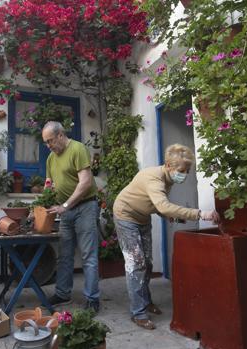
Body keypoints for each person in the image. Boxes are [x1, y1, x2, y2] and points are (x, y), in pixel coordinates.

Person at [113, 143, 220, 330]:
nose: (185, 174)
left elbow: (155, 204)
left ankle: (145, 302)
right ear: (168, 166)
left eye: (187, 170)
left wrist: (169, 215)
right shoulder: (155, 179)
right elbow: (162, 205)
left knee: (147, 262)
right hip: (125, 215)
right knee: (135, 263)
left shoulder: (167, 179)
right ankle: (138, 312)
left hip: (142, 217)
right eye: (182, 170)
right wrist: (199, 213)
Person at [42, 121, 101, 312]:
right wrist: (46, 199)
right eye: (46, 142)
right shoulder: (51, 158)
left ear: (61, 135)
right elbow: (49, 183)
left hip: (85, 207)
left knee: (88, 255)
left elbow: (85, 183)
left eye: (50, 141)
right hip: (64, 210)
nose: (48, 145)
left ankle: (92, 299)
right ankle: (62, 293)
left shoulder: (78, 149)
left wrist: (65, 205)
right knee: (65, 255)